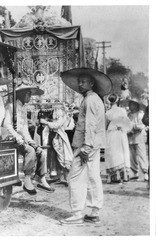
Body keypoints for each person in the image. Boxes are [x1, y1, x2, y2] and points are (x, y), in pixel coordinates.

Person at [59, 68, 112, 225]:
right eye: (79, 82)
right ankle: (94, 211)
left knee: (75, 178)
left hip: (87, 145)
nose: (80, 85)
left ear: (91, 83)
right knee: (93, 176)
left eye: (83, 82)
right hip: (94, 145)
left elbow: (90, 125)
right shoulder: (96, 99)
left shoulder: (89, 100)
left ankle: (76, 214)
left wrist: (85, 147)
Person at [3, 84, 54, 194]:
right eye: (27, 94)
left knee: (41, 152)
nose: (29, 96)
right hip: (11, 139)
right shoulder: (11, 107)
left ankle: (41, 179)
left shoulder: (24, 109)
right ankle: (27, 179)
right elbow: (7, 125)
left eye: (30, 94)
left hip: (22, 139)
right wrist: (17, 136)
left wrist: (31, 142)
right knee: (30, 151)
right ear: (21, 94)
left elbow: (25, 128)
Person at [40, 104, 73, 185]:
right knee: (55, 159)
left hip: (59, 139)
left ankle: (68, 178)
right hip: (54, 138)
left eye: (55, 110)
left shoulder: (62, 116)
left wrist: (46, 122)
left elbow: (56, 125)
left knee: (62, 158)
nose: (54, 111)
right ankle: (59, 177)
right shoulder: (59, 117)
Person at [105, 94, 132, 183]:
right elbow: (127, 122)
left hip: (112, 134)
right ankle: (124, 176)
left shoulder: (108, 113)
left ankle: (114, 176)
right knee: (122, 152)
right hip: (121, 133)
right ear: (117, 101)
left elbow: (105, 126)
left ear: (109, 102)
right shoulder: (123, 111)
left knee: (113, 153)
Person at [127, 98, 149, 181]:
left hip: (139, 136)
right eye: (129, 104)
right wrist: (128, 129)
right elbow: (126, 124)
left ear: (136, 105)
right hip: (130, 137)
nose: (129, 106)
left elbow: (141, 125)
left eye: (131, 104)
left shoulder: (140, 114)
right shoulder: (128, 115)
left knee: (141, 154)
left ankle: (145, 172)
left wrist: (132, 127)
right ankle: (134, 172)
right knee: (132, 155)